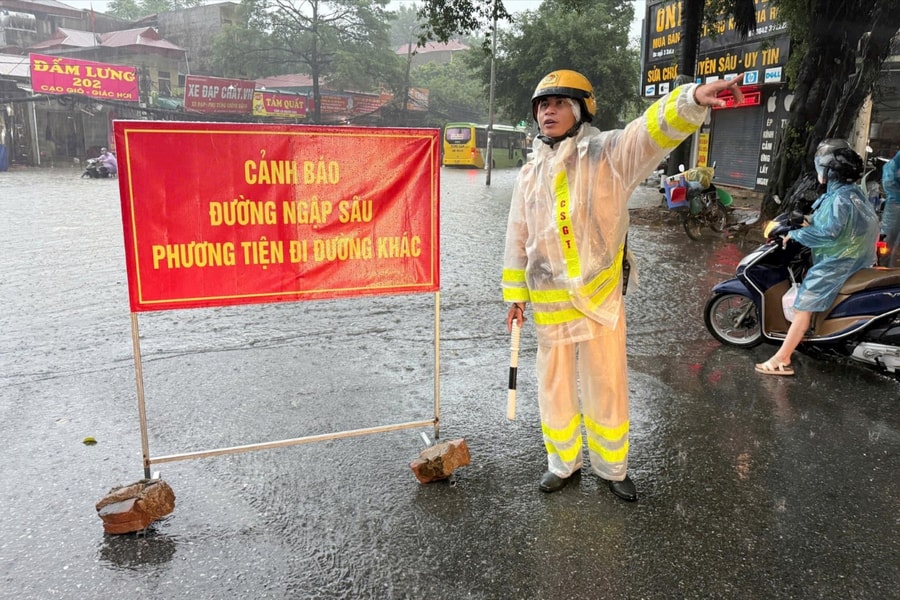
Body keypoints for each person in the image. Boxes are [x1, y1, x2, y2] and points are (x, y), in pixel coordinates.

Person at [502, 69, 744, 501]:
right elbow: (518, 237)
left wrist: (691, 99)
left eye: (559, 103)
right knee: (554, 386)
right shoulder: (529, 173)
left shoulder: (609, 156)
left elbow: (648, 132)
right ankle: (562, 463)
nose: (548, 112)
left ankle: (612, 467)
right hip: (550, 304)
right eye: (542, 105)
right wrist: (516, 298)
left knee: (607, 383)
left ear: (581, 110)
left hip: (599, 300)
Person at [755, 139, 880, 376]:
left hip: (839, 261)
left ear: (830, 172)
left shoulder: (838, 198)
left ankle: (782, 358)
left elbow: (828, 233)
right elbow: (832, 222)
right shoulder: (851, 193)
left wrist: (795, 234)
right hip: (857, 258)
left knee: (803, 306)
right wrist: (804, 220)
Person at [880, 149, 900, 267]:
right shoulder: (896, 162)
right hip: (895, 204)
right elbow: (889, 181)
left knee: (890, 240)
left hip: (894, 205)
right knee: (888, 241)